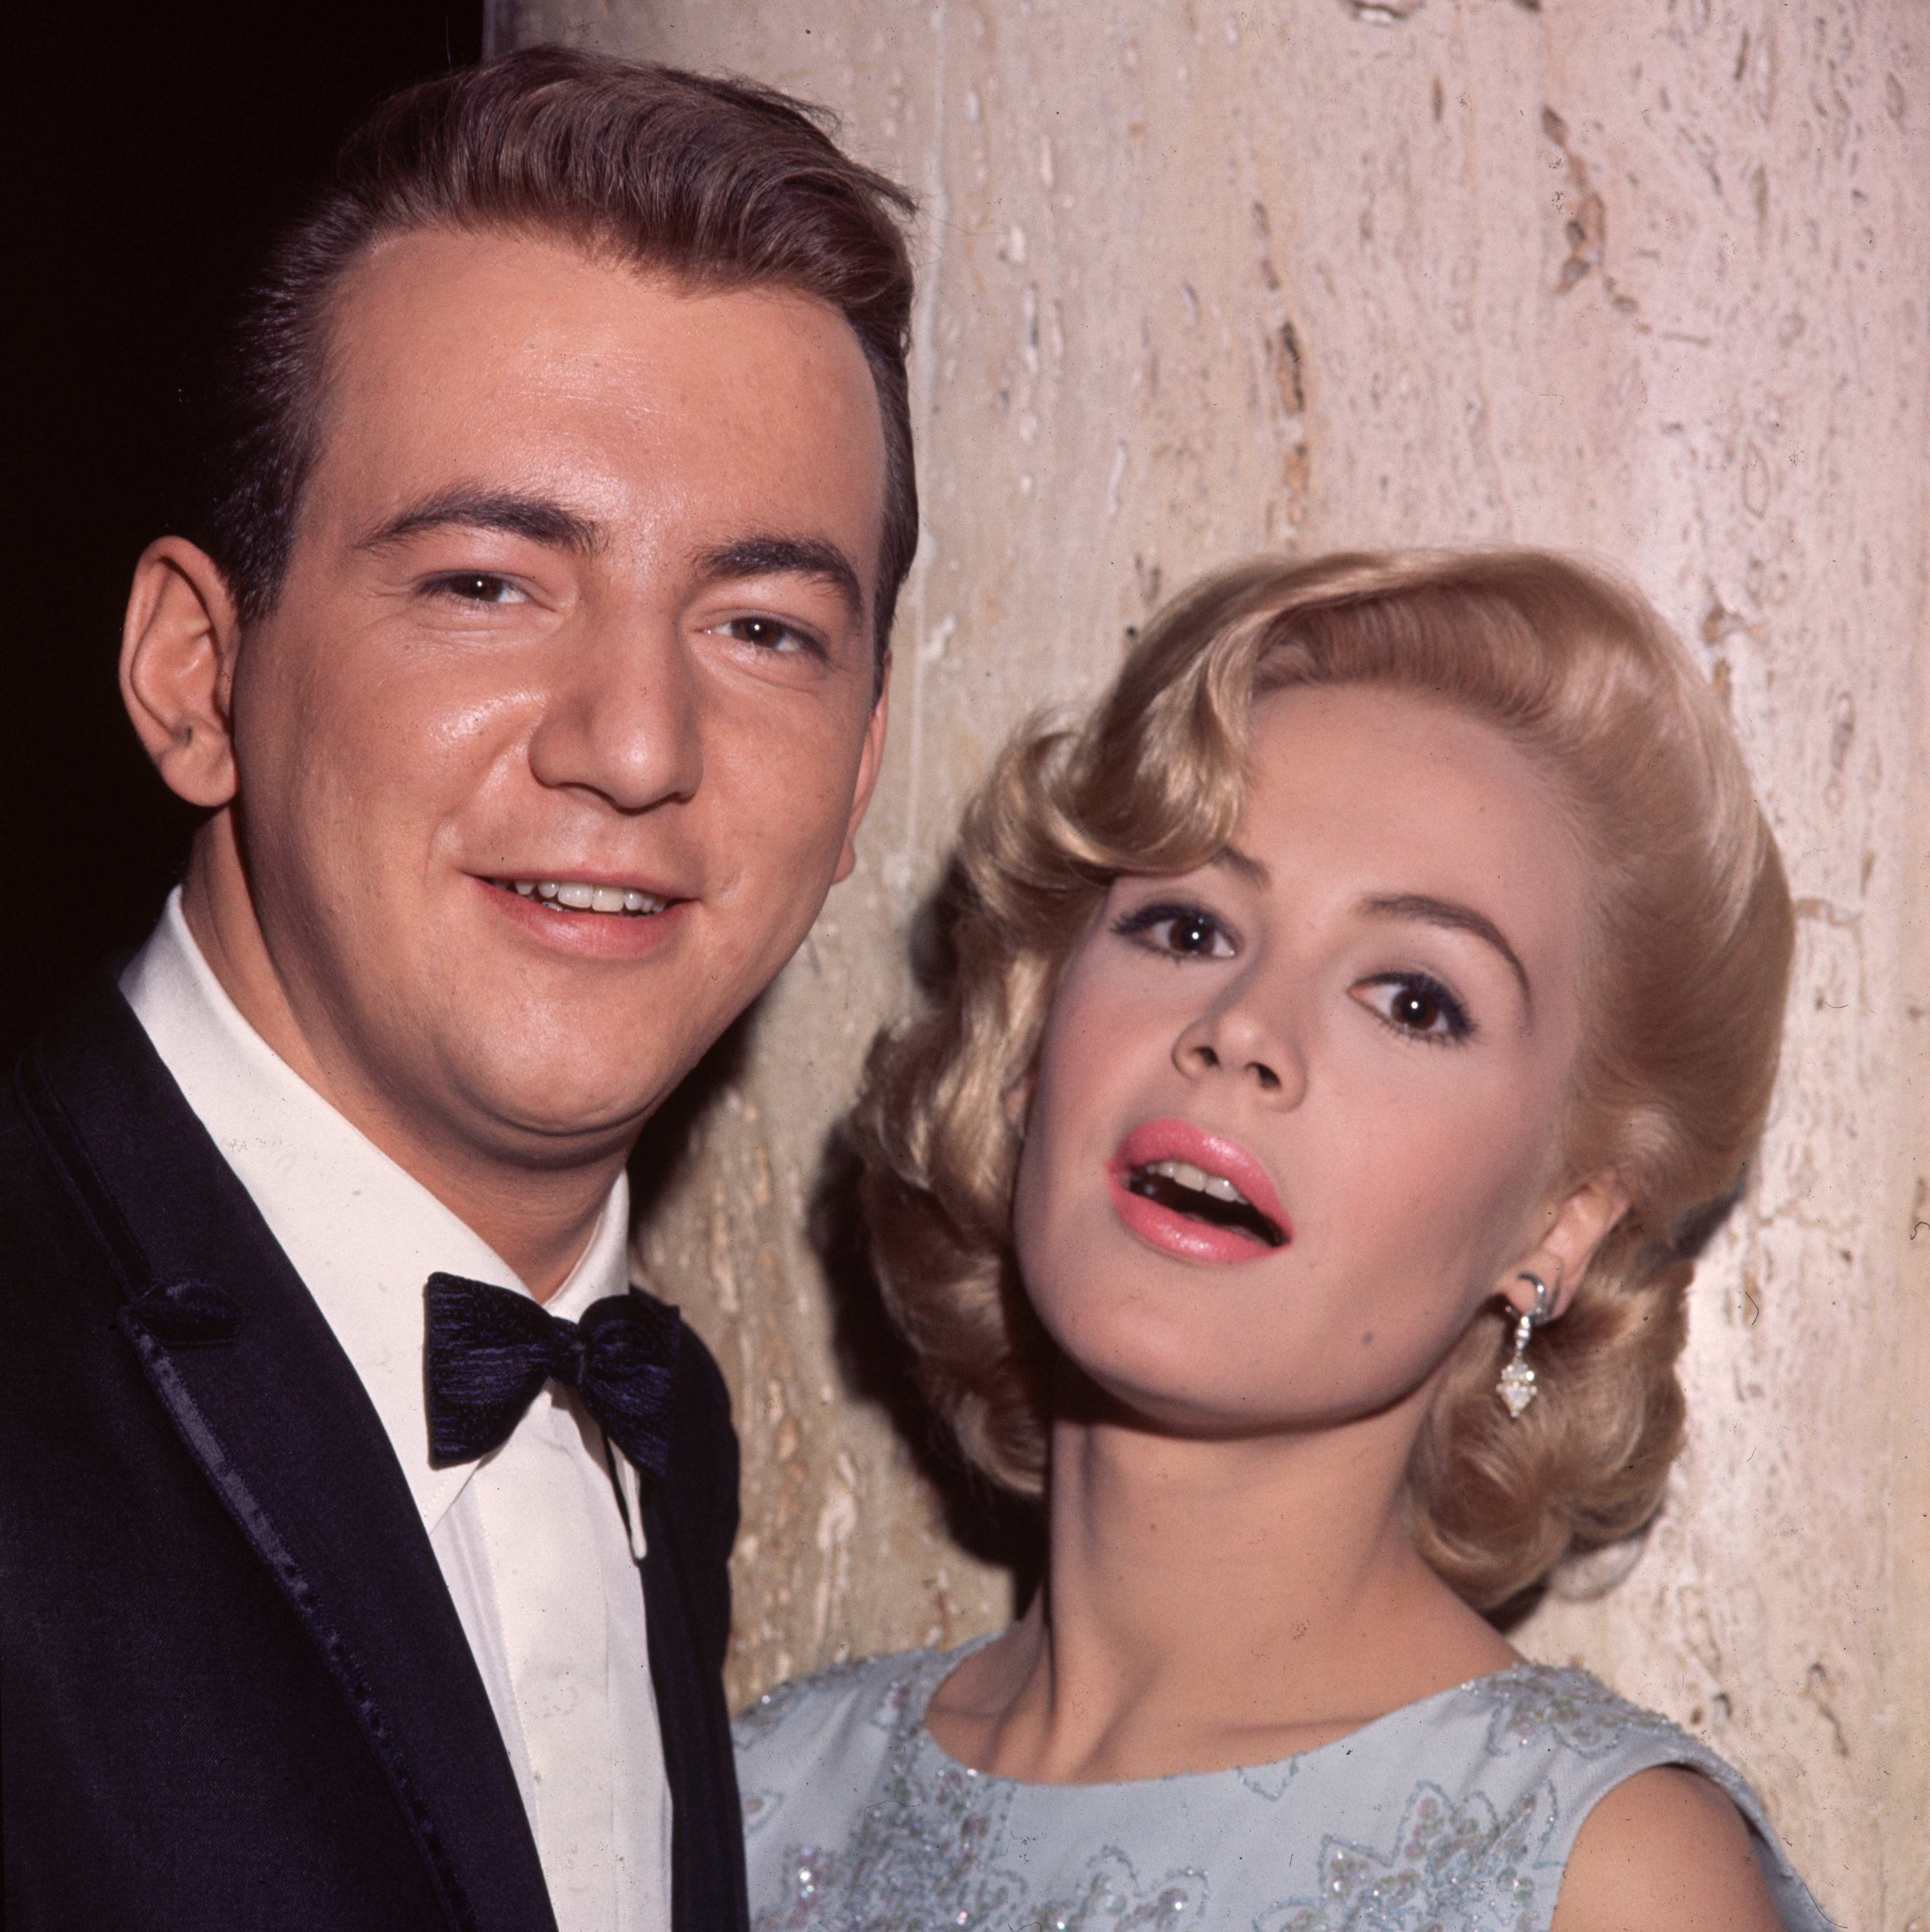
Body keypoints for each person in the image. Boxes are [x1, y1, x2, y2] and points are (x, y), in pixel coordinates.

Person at [1, 47, 915, 1932]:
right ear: (196, 671)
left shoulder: (663, 1438)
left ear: (859, 771)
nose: (639, 745)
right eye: (491, 584)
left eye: (762, 628)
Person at [733, 552, 1831, 1930]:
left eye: (1415, 1001)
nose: (1245, 1028)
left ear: (1559, 1224)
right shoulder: (754, 1806)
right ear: (1033, 1053)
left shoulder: (1607, 1880)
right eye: (1186, 926)